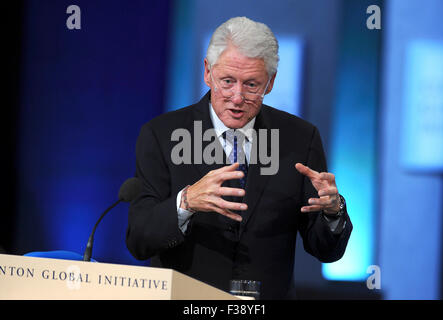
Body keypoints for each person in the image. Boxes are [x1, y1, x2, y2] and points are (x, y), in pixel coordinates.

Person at [126, 17, 352, 299]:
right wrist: (186, 202)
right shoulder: (162, 135)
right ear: (207, 72)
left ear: (270, 83)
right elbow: (139, 240)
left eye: (251, 85)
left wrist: (333, 212)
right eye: (227, 81)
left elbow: (325, 250)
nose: (237, 97)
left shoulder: (300, 139)